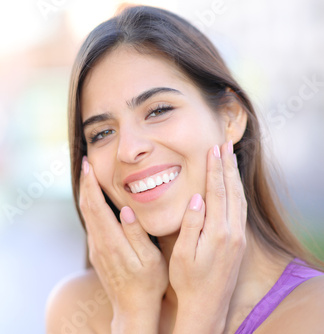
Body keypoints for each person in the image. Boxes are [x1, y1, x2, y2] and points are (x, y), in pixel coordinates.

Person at [46, 5, 324, 334]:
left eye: (158, 110)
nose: (129, 149)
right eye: (102, 133)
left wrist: (200, 313)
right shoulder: (76, 310)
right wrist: (134, 316)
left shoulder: (312, 314)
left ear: (230, 117)